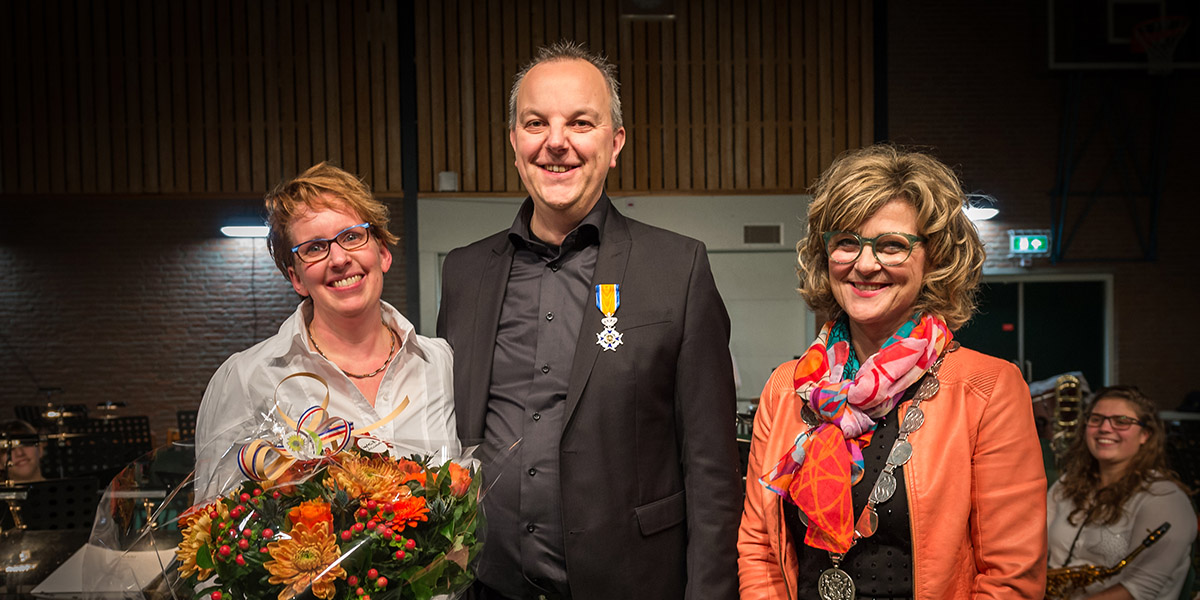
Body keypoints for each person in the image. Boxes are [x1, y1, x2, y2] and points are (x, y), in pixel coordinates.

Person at [437, 41, 741, 600]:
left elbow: (712, 471)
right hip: (488, 588)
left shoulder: (678, 268)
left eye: (581, 122)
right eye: (536, 123)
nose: (557, 142)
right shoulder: (464, 274)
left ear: (615, 141)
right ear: (514, 141)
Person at [738, 144, 1047, 599]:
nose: (864, 264)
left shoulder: (988, 388)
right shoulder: (788, 386)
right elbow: (760, 549)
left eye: (892, 245)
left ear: (934, 258)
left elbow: (1010, 576)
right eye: (846, 241)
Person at [194, 162, 455, 500]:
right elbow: (217, 528)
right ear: (296, 278)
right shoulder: (246, 379)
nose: (338, 258)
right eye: (315, 248)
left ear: (383, 252)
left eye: (351, 236)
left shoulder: (442, 364)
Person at [1047, 385, 1197, 599]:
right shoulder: (1067, 484)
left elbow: (1139, 589)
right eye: (1096, 419)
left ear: (1145, 434)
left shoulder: (1166, 498)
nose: (1105, 428)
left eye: (1121, 421)